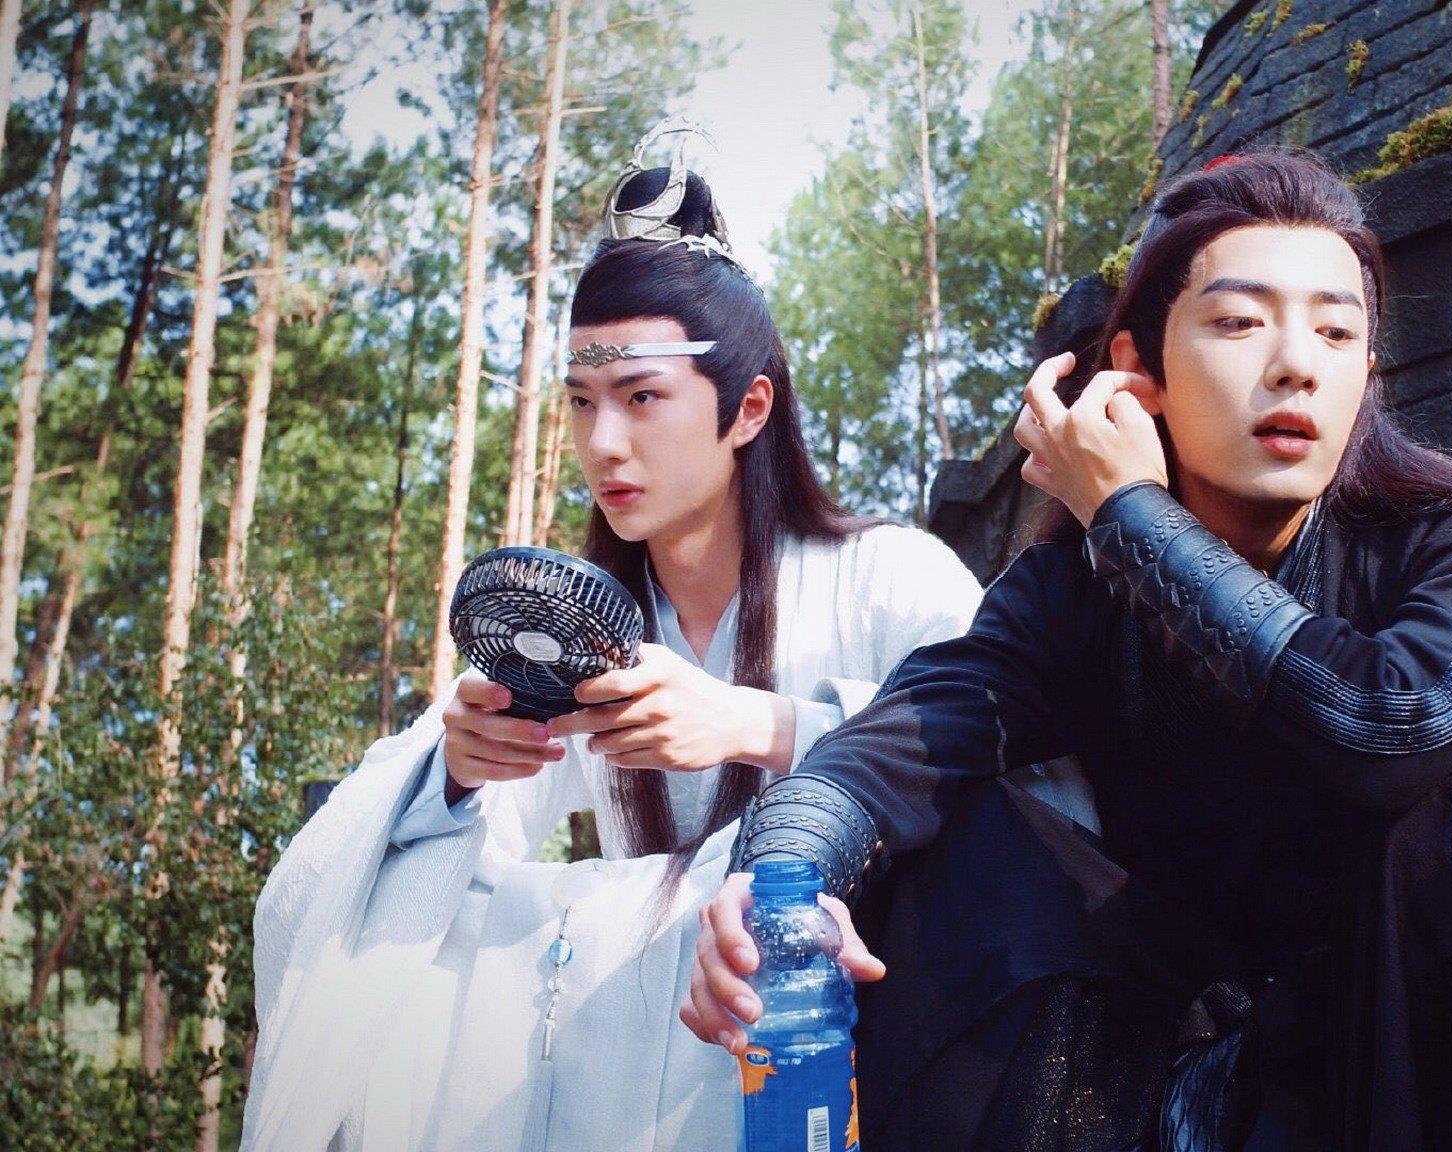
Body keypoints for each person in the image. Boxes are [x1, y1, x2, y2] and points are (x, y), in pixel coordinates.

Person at [682, 146, 1452, 1151]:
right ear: (1137, 372)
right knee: (971, 831)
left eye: (1336, 332)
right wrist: (779, 880)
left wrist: (1130, 513)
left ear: (1366, 375)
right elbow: (897, 745)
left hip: (1407, 1071)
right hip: (1169, 1076)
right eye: (1240, 322)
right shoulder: (1072, 594)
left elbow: (1390, 725)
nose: (1297, 364)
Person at [242, 126, 1057, 1152]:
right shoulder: (576, 627)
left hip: (848, 1044)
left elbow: (1011, 767)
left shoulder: (891, 577)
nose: (603, 444)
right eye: (582, 402)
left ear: (747, 409)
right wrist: (457, 771)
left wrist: (760, 725)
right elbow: (409, 866)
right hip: (641, 1065)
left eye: (642, 398)